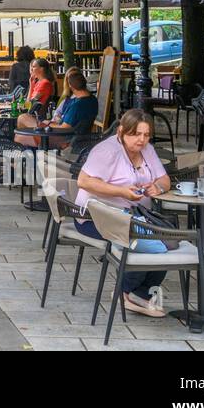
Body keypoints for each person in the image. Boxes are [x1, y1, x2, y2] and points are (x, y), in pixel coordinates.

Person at [74, 109, 172, 318]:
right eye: (136, 134)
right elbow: (84, 181)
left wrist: (157, 188)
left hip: (133, 216)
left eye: (146, 135)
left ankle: (139, 294)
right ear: (121, 131)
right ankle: (127, 292)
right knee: (154, 245)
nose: (142, 140)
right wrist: (121, 191)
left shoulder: (148, 150)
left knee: (165, 239)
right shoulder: (107, 151)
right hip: (98, 217)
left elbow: (165, 180)